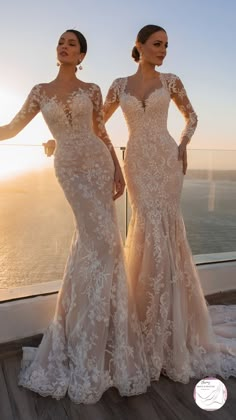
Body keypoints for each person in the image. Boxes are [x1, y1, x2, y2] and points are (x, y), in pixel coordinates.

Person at [0, 29, 150, 404]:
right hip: (69, 167)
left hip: (98, 164)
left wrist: (116, 168)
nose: (63, 46)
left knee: (103, 244)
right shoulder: (39, 91)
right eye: (60, 42)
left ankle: (105, 333)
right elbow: (13, 127)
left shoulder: (93, 89)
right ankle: (84, 333)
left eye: (71, 43)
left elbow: (101, 130)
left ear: (81, 53)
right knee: (96, 240)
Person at [103, 24, 236, 382]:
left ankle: (172, 327)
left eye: (166, 45)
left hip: (166, 160)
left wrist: (182, 144)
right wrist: (69, 144)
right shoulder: (118, 85)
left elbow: (192, 116)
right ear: (139, 46)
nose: (163, 50)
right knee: (145, 228)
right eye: (157, 44)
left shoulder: (172, 80)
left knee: (167, 232)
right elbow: (98, 124)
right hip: (137, 165)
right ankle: (146, 320)